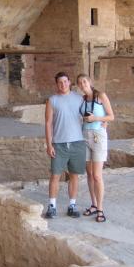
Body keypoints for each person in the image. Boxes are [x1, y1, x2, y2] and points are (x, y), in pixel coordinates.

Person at [44, 71, 86, 218]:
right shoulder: (52, 100)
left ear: (69, 82)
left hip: (77, 142)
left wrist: (103, 122)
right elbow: (48, 123)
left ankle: (72, 205)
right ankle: (52, 205)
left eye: (65, 82)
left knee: (74, 176)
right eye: (60, 82)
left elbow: (89, 115)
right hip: (59, 144)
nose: (63, 85)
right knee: (55, 175)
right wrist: (49, 145)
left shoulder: (79, 99)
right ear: (57, 84)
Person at [76, 73, 114, 223]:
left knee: (97, 175)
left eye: (84, 81)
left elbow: (111, 116)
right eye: (80, 83)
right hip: (85, 135)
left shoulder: (100, 96)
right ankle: (93, 204)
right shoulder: (82, 100)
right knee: (89, 174)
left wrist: (96, 119)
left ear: (90, 82)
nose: (82, 84)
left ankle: (100, 208)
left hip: (98, 136)